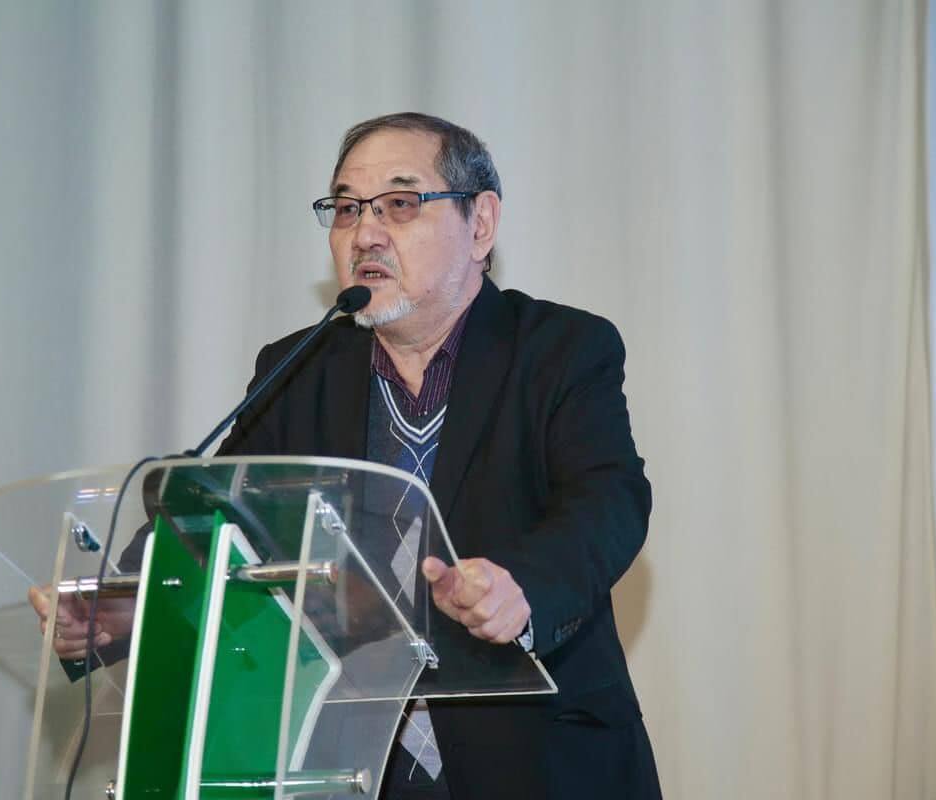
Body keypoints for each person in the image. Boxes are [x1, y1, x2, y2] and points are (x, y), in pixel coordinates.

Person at [32, 112, 660, 799]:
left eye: (400, 204)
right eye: (346, 208)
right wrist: (126, 605)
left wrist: (525, 589)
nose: (365, 233)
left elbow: (608, 500)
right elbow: (214, 513)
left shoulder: (559, 349)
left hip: (537, 759)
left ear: (480, 224)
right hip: (349, 768)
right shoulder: (301, 369)